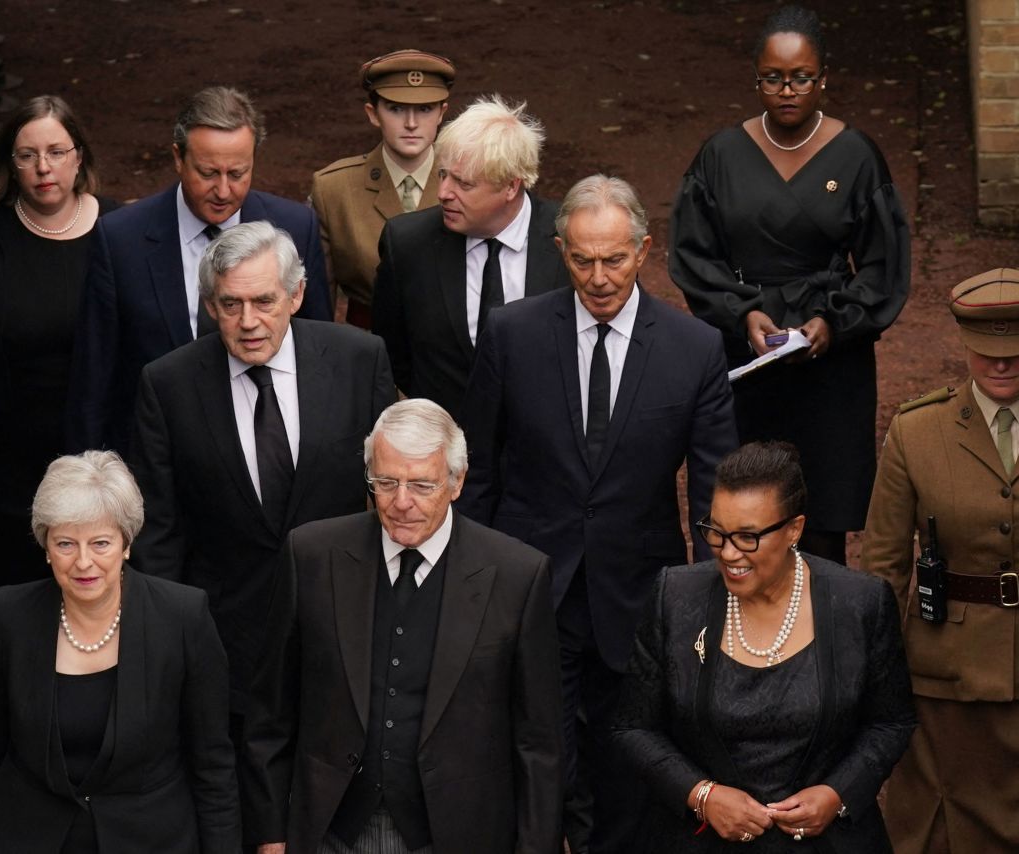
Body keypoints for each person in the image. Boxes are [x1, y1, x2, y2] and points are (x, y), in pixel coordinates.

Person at [457, 174, 738, 853]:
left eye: (614, 258)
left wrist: (716, 603)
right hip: (530, 586)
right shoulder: (512, 333)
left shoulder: (693, 348)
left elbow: (712, 492)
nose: (599, 276)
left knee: (629, 757)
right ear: (560, 251)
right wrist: (471, 584)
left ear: (645, 250)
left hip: (639, 593)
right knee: (538, 752)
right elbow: (481, 471)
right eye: (582, 259)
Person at [242, 399, 563, 854]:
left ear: (457, 483)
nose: (401, 502)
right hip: (330, 832)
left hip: (458, 835)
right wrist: (270, 834)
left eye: (421, 485)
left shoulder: (518, 576)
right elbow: (271, 713)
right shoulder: (311, 555)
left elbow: (539, 744)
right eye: (386, 482)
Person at [127, 221, 395, 759]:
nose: (248, 322)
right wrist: (170, 641)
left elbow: (390, 496)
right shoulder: (168, 384)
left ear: (296, 295)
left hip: (342, 623)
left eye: (264, 301)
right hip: (224, 638)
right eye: (231, 304)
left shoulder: (358, 359)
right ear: (209, 305)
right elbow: (159, 527)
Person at [669, 4, 910, 565]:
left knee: (821, 517)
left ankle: (821, 639)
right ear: (756, 78)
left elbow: (882, 265)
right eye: (772, 78)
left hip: (830, 361)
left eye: (801, 77)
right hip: (745, 357)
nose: (787, 90)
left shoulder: (857, 157)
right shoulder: (720, 156)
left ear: (823, 78)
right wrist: (740, 313)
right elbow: (692, 254)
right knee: (745, 512)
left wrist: (834, 323)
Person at [613, 441, 916, 852]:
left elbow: (891, 722)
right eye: (716, 532)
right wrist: (702, 795)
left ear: (794, 529)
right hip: (703, 842)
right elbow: (633, 726)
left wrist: (837, 793)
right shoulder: (676, 598)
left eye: (748, 537)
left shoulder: (859, 604)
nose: (729, 553)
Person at [0, 451, 238, 853]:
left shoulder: (183, 618)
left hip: (151, 841)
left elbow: (213, 767)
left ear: (126, 543)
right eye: (66, 543)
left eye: (100, 542)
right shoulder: (8, 617)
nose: (84, 562)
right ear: (46, 546)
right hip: (26, 838)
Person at [0, 94, 121, 607]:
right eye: (27, 155)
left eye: (56, 152)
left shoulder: (121, 235)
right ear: (10, 166)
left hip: (106, 453)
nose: (43, 168)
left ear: (80, 156)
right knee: (15, 608)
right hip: (5, 463)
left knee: (101, 598)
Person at [66, 86, 332, 455]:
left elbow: (318, 349)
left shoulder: (294, 227)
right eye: (208, 173)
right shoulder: (119, 240)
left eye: (238, 173)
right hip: (159, 457)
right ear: (178, 157)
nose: (223, 190)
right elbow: (93, 375)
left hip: (267, 448)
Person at [862, 268, 1019, 853]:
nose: (1001, 365)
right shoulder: (917, 432)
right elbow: (882, 563)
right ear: (966, 345)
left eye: (1014, 352)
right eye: (987, 353)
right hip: (945, 678)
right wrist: (876, 675)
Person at [370, 94, 566, 420]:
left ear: (510, 187)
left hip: (544, 451)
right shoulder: (407, 244)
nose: (444, 192)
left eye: (463, 183)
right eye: (443, 174)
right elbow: (391, 349)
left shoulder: (569, 239)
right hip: (448, 452)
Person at [310, 49, 455, 328]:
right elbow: (319, 299)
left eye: (425, 109)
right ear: (373, 113)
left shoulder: (469, 181)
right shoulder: (335, 189)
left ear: (442, 113)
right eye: (396, 108)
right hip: (368, 346)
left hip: (453, 354)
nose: (411, 124)